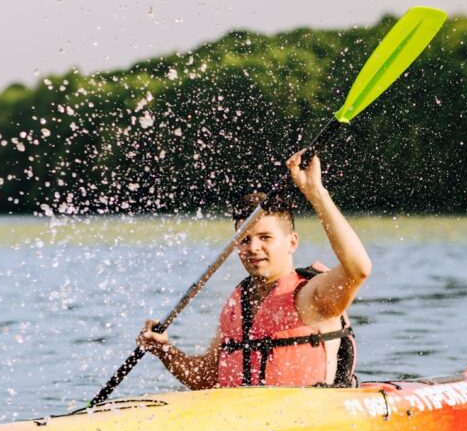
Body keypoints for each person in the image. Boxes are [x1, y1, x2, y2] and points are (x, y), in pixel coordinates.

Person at [137, 150, 372, 389]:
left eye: (265, 237)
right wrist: (164, 350)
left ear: (292, 242)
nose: (253, 248)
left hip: (310, 414)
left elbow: (358, 269)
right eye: (245, 240)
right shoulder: (239, 303)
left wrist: (316, 193)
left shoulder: (312, 295)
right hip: (246, 417)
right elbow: (206, 379)